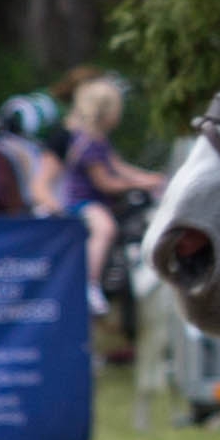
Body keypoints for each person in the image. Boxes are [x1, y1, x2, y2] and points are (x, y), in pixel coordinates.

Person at [59, 71, 160, 312]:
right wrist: (139, 185)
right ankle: (89, 284)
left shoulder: (99, 140)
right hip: (84, 202)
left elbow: (120, 168)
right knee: (105, 228)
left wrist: (151, 179)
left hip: (99, 200)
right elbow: (105, 183)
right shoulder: (88, 144)